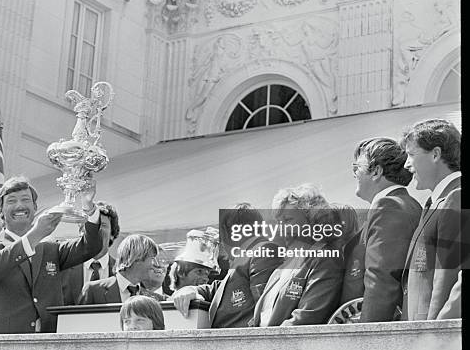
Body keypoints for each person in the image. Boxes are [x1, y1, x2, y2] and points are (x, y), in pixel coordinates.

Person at [0, 176, 107, 334]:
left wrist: (89, 207)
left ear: (35, 207)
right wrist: (35, 235)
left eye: (25, 199)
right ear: (0, 210)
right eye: (11, 201)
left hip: (48, 343)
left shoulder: (50, 248)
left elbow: (90, 246)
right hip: (3, 345)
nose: (19, 205)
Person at [339, 137, 422, 322]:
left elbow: (382, 280)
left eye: (356, 168)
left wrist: (366, 336)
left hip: (378, 333)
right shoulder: (404, 204)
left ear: (376, 171)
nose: (354, 175)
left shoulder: (389, 206)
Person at [172, 208, 283, 328]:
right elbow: (218, 289)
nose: (221, 244)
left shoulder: (262, 250)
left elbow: (266, 309)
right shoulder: (244, 256)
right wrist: (191, 290)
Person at [251, 184, 344, 327]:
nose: (280, 228)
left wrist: (267, 344)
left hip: (285, 346)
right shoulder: (286, 263)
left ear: (313, 220)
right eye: (279, 221)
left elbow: (309, 315)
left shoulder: (325, 258)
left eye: (287, 220)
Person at [400, 119, 462, 320]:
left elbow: (447, 278)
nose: (406, 165)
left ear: (435, 154)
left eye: (411, 155)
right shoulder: (436, 201)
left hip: (434, 336)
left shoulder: (456, 198)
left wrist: (433, 334)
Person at [78, 234, 166, 304]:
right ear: (137, 257)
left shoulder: (153, 299)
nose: (155, 265)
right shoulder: (93, 290)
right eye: (152, 259)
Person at [61, 203, 120, 305]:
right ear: (81, 231)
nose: (97, 229)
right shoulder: (64, 269)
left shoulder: (121, 272)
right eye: (91, 225)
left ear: (112, 234)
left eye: (103, 225)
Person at [168, 228, 220, 292]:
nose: (205, 279)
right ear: (180, 272)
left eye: (207, 274)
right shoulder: (170, 301)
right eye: (199, 272)